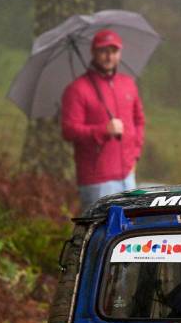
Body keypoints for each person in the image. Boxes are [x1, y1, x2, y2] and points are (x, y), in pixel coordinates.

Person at [61, 29, 145, 211]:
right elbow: (69, 130)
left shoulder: (128, 84)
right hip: (97, 180)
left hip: (127, 176)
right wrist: (102, 130)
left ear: (120, 53)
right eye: (103, 51)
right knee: (101, 234)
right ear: (94, 53)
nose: (109, 57)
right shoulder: (77, 89)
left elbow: (139, 120)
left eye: (114, 51)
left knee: (128, 233)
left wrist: (135, 155)